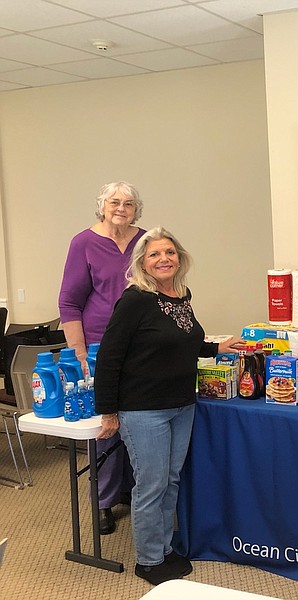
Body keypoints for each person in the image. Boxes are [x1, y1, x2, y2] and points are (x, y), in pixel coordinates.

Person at [93, 226, 243, 586]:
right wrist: (109, 411)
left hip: (181, 404)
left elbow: (184, 340)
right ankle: (148, 560)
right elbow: (109, 358)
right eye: (155, 254)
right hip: (143, 410)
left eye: (170, 253)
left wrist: (216, 349)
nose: (164, 259)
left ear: (180, 258)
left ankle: (163, 549)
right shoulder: (135, 300)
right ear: (143, 262)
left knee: (170, 481)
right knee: (151, 485)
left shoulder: (179, 294)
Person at [58, 181, 146, 535]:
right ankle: (104, 502)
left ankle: (129, 490)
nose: (121, 208)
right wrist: (79, 353)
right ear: (102, 206)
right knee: (107, 427)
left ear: (136, 210)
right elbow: (69, 302)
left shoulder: (145, 240)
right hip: (98, 347)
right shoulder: (83, 242)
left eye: (128, 203)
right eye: (114, 202)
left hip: (142, 346)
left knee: (139, 420)